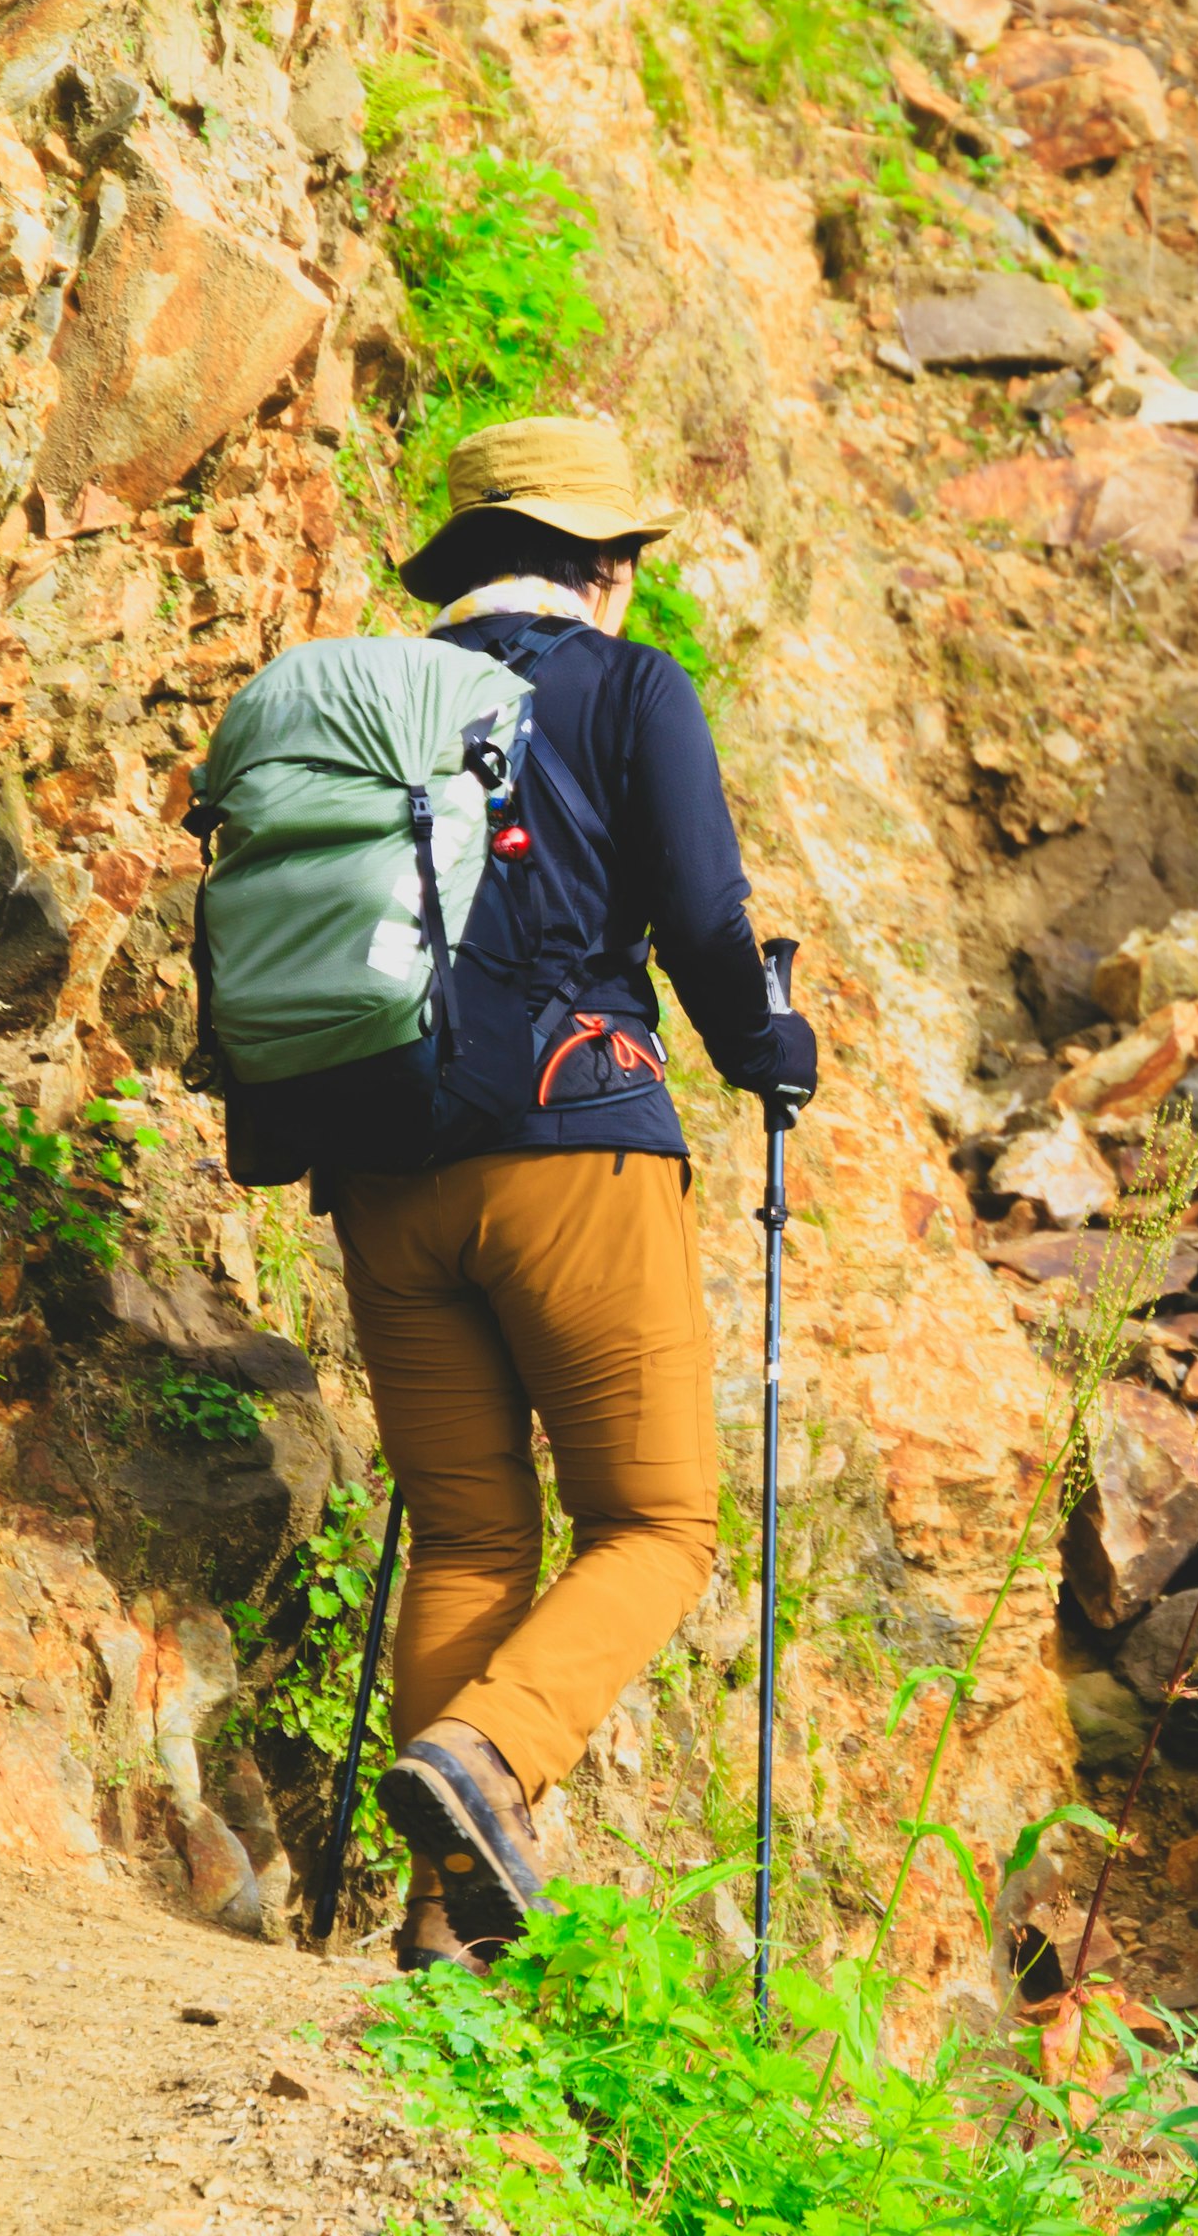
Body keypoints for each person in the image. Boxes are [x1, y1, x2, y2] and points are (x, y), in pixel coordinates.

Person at [343, 415, 816, 1971]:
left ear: (468, 563)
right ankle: (489, 1759)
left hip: (380, 1173)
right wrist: (770, 1048)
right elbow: (701, 916)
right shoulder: (626, 685)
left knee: (472, 1543)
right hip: (574, 1147)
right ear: (604, 565)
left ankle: (444, 1935)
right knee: (659, 1524)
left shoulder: (371, 696)